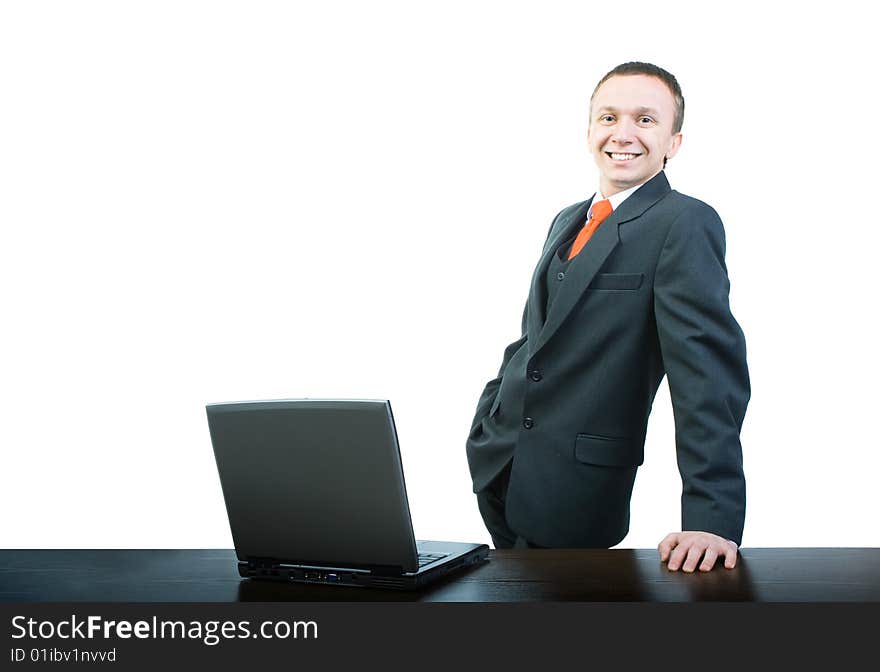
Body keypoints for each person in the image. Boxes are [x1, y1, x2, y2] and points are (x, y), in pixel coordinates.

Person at [465, 62, 749, 572]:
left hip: (577, 485)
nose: (623, 133)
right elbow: (538, 339)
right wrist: (487, 419)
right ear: (590, 131)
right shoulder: (568, 217)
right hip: (501, 460)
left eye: (645, 120)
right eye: (609, 117)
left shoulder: (684, 223)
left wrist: (712, 516)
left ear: (673, 142)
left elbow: (707, 376)